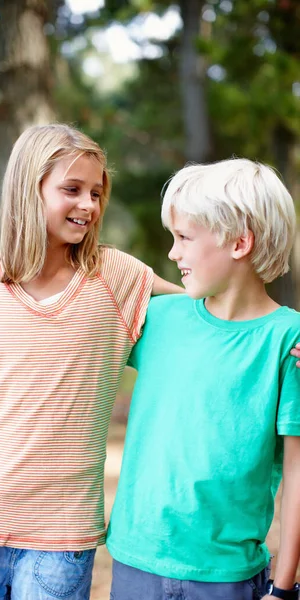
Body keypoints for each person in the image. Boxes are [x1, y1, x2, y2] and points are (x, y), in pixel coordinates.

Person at [0, 123, 182, 600]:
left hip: (61, 542)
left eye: (97, 193)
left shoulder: (116, 277)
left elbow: (208, 313)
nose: (89, 205)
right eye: (72, 189)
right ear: (28, 189)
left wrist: (284, 330)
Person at [106, 159, 300, 600]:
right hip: (136, 562)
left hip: (226, 575)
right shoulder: (157, 318)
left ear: (240, 243)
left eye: (184, 238)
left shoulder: (288, 341)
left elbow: (297, 471)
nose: (173, 253)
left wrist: (284, 587)